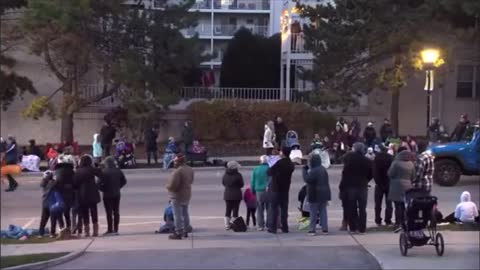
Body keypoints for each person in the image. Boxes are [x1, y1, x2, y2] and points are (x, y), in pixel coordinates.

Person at [339, 142, 373, 234]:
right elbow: (371, 174)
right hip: (362, 185)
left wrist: (342, 186)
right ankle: (362, 228)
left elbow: (345, 173)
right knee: (362, 208)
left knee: (352, 207)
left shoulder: (348, 159)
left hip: (350, 186)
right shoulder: (367, 161)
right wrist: (366, 180)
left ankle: (353, 227)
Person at [165, 154, 194, 240]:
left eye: (175, 161)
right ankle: (186, 229)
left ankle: (178, 232)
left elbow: (173, 185)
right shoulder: (190, 169)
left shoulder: (177, 172)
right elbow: (191, 181)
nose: (174, 163)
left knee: (177, 214)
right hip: (187, 193)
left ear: (178, 162)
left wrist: (167, 186)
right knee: (185, 213)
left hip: (177, 195)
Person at [267, 147, 295, 234]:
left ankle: (273, 227)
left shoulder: (279, 162)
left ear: (283, 153)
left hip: (276, 188)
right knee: (284, 209)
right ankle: (285, 227)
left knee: (274, 209)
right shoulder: (290, 164)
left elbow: (269, 172)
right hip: (285, 188)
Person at [302, 154, 331, 236]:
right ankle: (325, 229)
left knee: (313, 212)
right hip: (324, 193)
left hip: (314, 193)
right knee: (323, 211)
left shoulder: (314, 171)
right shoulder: (323, 169)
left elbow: (307, 179)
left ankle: (312, 229)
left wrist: (304, 171)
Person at [98, 157, 127, 236]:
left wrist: (103, 189)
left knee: (109, 212)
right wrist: (118, 186)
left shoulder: (103, 172)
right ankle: (116, 229)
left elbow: (98, 184)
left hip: (107, 194)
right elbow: (124, 181)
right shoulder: (118, 171)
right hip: (116, 193)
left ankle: (110, 229)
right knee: (116, 211)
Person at [74, 155, 102, 237]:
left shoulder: (78, 171)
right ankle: (95, 231)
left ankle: (87, 231)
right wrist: (97, 185)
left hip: (82, 195)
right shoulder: (92, 169)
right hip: (93, 193)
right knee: (94, 212)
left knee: (85, 213)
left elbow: (75, 184)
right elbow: (102, 175)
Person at [388, 150, 415, 231]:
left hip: (397, 186)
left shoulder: (396, 163)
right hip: (408, 186)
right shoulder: (411, 164)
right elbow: (413, 176)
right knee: (404, 206)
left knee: (397, 206)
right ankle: (405, 222)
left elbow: (390, 174)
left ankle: (398, 223)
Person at [54, 155, 76, 238]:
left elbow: (55, 183)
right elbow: (75, 183)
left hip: (60, 194)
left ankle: (61, 228)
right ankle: (68, 228)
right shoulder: (71, 171)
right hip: (69, 194)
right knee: (67, 213)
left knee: (59, 212)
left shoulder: (57, 172)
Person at [373, 145, 394, 226]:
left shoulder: (377, 158)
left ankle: (378, 219)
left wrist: (377, 181)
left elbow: (374, 171)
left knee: (378, 203)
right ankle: (388, 219)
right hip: (388, 182)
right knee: (389, 203)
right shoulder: (390, 158)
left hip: (379, 183)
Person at [222, 161, 244, 230]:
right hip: (237, 195)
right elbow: (241, 184)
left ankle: (226, 225)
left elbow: (223, 183)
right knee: (235, 209)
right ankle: (234, 224)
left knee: (228, 209)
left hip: (227, 194)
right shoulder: (238, 175)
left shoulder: (225, 175)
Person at [250, 155, 269, 231]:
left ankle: (260, 225)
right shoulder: (270, 169)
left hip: (259, 191)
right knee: (269, 208)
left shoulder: (256, 169)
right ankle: (269, 224)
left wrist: (252, 191)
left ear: (260, 161)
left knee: (260, 209)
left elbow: (252, 182)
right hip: (268, 191)